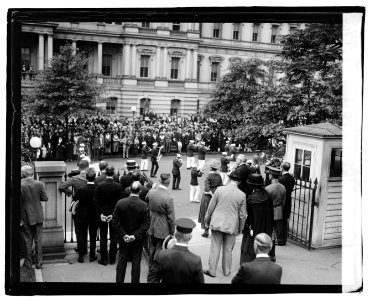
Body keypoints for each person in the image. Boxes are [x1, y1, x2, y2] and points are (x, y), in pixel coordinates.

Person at [203, 170, 246, 278]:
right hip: (232, 225)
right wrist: (241, 228)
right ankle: (226, 270)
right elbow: (242, 215)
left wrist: (206, 220)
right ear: (239, 182)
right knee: (228, 249)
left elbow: (210, 208)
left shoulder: (219, 190)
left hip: (217, 222)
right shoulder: (242, 195)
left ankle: (212, 270)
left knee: (215, 247)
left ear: (230, 179)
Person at [112, 181, 151, 283]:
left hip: (123, 238)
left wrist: (123, 234)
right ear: (140, 191)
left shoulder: (120, 203)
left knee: (122, 259)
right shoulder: (144, 205)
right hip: (137, 239)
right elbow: (146, 224)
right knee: (136, 261)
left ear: (130, 189)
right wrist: (135, 236)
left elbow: (115, 221)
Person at [147, 218, 205, 284]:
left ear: (176, 235)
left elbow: (152, 279)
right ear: (190, 237)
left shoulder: (161, 255)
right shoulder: (195, 260)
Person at [93, 165, 124, 266]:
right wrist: (113, 214)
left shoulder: (99, 185)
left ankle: (104, 259)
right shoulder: (118, 186)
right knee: (114, 237)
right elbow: (120, 202)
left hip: (103, 213)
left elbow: (96, 201)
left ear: (105, 173)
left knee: (103, 236)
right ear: (114, 172)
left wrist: (101, 214)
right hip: (113, 214)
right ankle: (112, 259)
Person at [240, 174, 274, 264]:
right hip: (266, 224)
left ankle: (251, 261)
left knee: (251, 242)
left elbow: (249, 214)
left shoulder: (252, 198)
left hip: (254, 224)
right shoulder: (268, 196)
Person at [146, 173, 175, 275]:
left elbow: (146, 198)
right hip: (162, 225)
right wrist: (172, 232)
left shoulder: (152, 192)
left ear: (159, 180)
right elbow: (171, 218)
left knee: (152, 246)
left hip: (152, 222)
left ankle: (150, 265)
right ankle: (155, 268)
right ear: (169, 182)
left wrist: (153, 188)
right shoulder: (168, 198)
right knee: (159, 247)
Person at [21, 165, 49, 269]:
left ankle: (28, 263)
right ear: (32, 173)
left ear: (23, 174)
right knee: (38, 240)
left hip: (25, 217)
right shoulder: (39, 184)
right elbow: (45, 198)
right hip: (38, 215)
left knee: (27, 240)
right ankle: (38, 262)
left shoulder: (20, 185)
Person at [72, 168, 98, 263]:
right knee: (93, 235)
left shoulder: (81, 189)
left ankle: (81, 256)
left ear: (86, 177)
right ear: (95, 177)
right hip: (94, 215)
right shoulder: (97, 188)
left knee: (82, 235)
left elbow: (75, 198)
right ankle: (92, 255)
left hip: (82, 214)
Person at [198, 159, 223, 238]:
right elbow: (221, 186)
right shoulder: (219, 176)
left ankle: (206, 231)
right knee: (216, 212)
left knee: (206, 212)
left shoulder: (208, 176)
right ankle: (216, 230)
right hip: (217, 194)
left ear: (211, 168)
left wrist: (212, 194)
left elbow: (207, 188)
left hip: (208, 197)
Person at [265, 167, 286, 249]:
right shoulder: (283, 187)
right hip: (279, 208)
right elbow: (284, 202)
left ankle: (270, 240)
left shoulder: (268, 188)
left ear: (271, 176)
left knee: (270, 227)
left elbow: (265, 201)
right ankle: (279, 240)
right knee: (278, 227)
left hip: (270, 209)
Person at [278, 162, 295, 246]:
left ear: (282, 168)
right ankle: (284, 238)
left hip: (282, 201)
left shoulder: (281, 179)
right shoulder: (292, 178)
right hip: (288, 201)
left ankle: (280, 239)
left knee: (281, 221)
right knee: (285, 220)